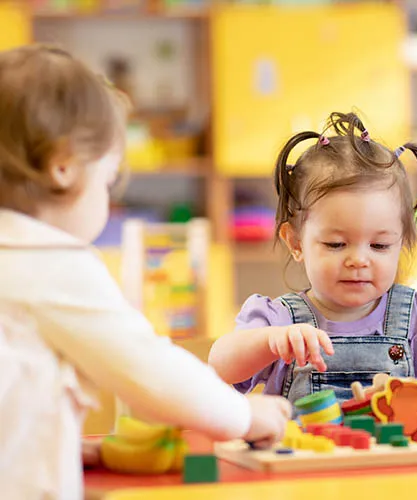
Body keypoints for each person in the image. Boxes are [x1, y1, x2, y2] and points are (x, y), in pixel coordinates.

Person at [0, 45, 291, 499]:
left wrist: (55, 445)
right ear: (62, 168)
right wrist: (246, 416)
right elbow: (149, 371)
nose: (107, 196)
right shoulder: (52, 263)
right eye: (107, 179)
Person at [209, 112, 417, 418]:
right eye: (336, 244)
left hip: (398, 465)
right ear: (295, 243)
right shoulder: (278, 320)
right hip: (309, 463)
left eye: (379, 246)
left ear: (401, 242)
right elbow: (220, 367)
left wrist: (410, 402)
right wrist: (269, 342)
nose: (359, 260)